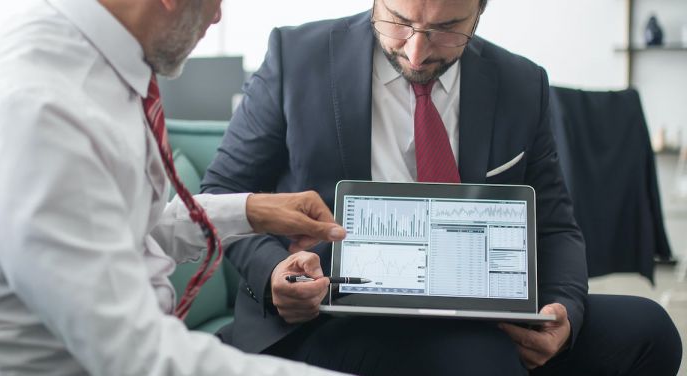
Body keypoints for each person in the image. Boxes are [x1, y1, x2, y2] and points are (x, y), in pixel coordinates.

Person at [202, 0, 683, 374]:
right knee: (478, 360)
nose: (415, 50)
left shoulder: (521, 83)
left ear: (479, 13)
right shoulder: (296, 57)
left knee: (651, 332)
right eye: (399, 20)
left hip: (478, 308)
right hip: (331, 316)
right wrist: (272, 274)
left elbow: (555, 226)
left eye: (445, 28)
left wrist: (563, 311)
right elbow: (222, 191)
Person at [0, 0, 353, 375]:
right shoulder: (40, 109)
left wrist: (250, 211)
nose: (217, 16)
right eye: (213, 1)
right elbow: (133, 353)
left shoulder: (92, 63)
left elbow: (125, 236)